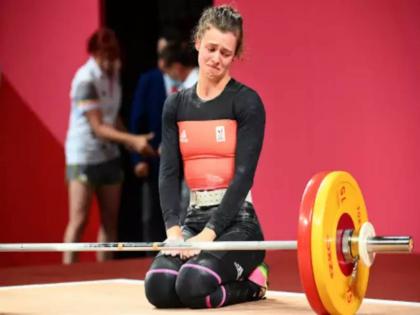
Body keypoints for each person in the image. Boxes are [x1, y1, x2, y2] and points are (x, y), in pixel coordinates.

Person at [144, 5, 268, 309]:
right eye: (211, 48)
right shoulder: (175, 105)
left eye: (226, 53)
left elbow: (243, 177)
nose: (216, 59)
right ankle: (204, 264)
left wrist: (210, 234)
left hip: (239, 223)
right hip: (193, 218)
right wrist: (174, 232)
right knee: (158, 287)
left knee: (193, 284)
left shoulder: (247, 103)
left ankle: (255, 281)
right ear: (197, 41)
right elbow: (169, 172)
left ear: (235, 54)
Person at [63, 28, 155, 264]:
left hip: (110, 155)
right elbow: (98, 127)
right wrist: (133, 141)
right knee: (79, 219)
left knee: (110, 220)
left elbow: (112, 118)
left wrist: (134, 144)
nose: (109, 60)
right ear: (94, 52)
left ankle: (105, 274)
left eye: (112, 54)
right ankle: (65, 273)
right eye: (104, 54)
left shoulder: (114, 71)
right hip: (83, 156)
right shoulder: (85, 80)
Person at [129, 33, 182, 244]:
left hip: (182, 162)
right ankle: (150, 258)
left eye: (167, 54)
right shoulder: (148, 80)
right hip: (153, 160)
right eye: (160, 54)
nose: (163, 59)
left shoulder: (187, 80)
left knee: (182, 210)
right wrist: (138, 159)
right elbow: (136, 120)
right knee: (151, 214)